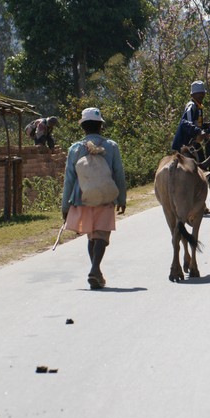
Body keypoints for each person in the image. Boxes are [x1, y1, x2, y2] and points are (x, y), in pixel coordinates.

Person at [61, 107, 127, 290]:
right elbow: (118, 174)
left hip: (82, 197)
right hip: (105, 198)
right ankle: (95, 268)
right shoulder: (111, 146)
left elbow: (69, 178)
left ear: (83, 127)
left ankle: (95, 271)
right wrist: (122, 198)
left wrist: (65, 206)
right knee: (101, 234)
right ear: (101, 126)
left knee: (91, 235)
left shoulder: (75, 149)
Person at [171, 81, 210, 152]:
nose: (201, 95)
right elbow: (185, 122)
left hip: (193, 143)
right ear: (192, 95)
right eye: (198, 93)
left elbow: (197, 125)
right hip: (183, 144)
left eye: (202, 93)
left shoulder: (199, 107)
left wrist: (208, 125)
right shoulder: (191, 105)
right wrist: (199, 132)